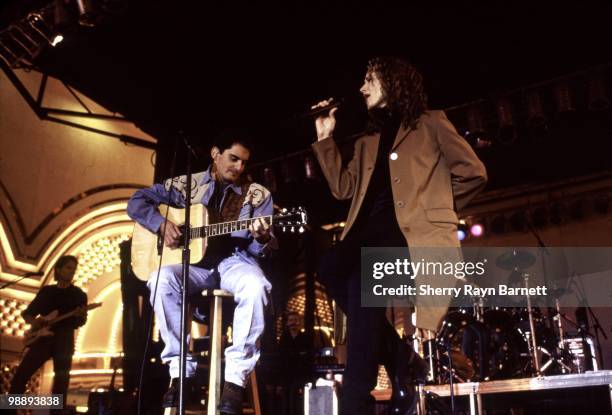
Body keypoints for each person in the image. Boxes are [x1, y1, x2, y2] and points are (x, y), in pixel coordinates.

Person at [311, 56, 487, 414]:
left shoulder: (431, 123)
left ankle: (354, 405)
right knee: (328, 270)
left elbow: (473, 173)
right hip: (363, 234)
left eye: (369, 79)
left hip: (403, 238)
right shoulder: (368, 139)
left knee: (363, 302)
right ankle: (402, 356)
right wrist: (325, 138)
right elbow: (344, 190)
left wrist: (434, 212)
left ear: (392, 81)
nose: (361, 88)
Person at [127, 131, 276, 414]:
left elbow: (262, 253)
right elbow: (136, 201)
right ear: (215, 153)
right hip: (196, 266)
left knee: (257, 285)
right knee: (160, 278)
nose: (239, 167)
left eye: (244, 163)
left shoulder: (259, 195)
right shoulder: (186, 184)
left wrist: (263, 238)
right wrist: (160, 224)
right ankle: (180, 372)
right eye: (233, 159)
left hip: (234, 261)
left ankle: (234, 382)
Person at [9, 255, 88, 413]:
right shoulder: (47, 291)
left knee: (60, 384)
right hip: (44, 337)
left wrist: (80, 316)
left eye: (74, 269)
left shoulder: (79, 295)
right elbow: (28, 313)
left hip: (64, 339)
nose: (71, 272)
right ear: (58, 269)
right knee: (20, 376)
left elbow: (80, 322)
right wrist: (36, 323)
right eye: (68, 268)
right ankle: (8, 410)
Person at [278, 312, 310, 415]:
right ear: (287, 323)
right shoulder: (283, 339)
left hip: (300, 377)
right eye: (291, 320)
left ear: (300, 323)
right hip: (286, 377)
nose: (293, 323)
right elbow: (280, 360)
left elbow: (308, 359)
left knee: (298, 405)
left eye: (296, 320)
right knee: (285, 405)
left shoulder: (306, 339)